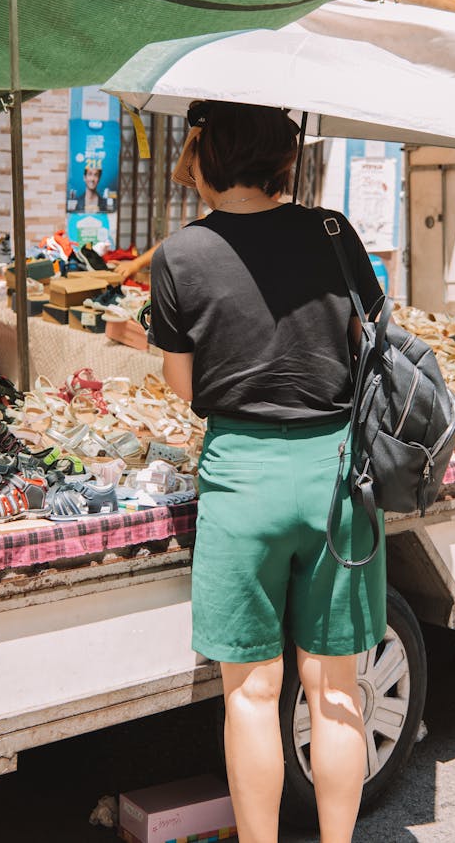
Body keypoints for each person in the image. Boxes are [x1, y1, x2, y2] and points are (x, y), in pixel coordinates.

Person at [148, 100, 386, 843]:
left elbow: (183, 389)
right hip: (335, 475)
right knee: (336, 688)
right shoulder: (332, 231)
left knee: (253, 694)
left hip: (241, 475)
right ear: (286, 155)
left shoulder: (180, 253)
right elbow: (370, 341)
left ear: (207, 153)